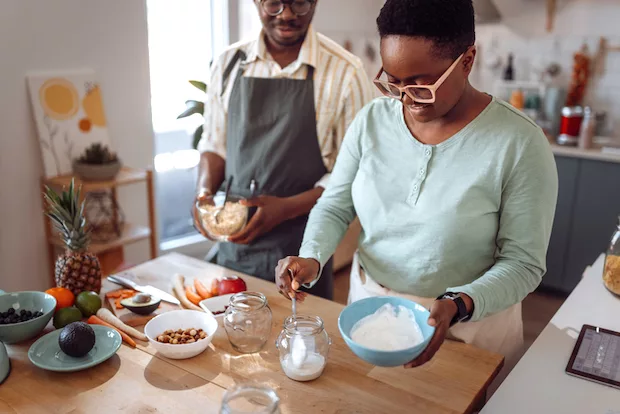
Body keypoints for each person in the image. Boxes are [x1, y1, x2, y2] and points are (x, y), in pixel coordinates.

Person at [275, 0, 558, 382]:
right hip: (370, 309)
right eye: (393, 80)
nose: (405, 99)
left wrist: (458, 304)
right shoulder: (372, 121)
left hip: (468, 327)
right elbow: (336, 205)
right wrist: (311, 258)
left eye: (421, 84)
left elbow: (523, 264)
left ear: (467, 60)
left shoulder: (520, 144)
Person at [194, 0, 374, 300]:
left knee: (302, 340)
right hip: (236, 250)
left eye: (299, 3)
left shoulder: (346, 73)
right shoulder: (227, 64)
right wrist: (203, 194)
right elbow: (214, 144)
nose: (287, 15)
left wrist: (285, 208)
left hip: (303, 252)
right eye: (274, 3)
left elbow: (351, 176)